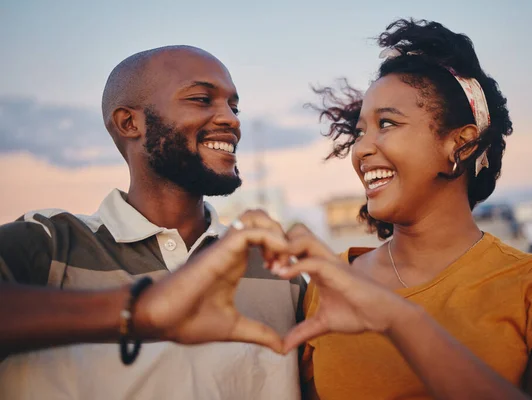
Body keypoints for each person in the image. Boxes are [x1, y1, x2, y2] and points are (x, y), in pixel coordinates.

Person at [280, 19, 532, 400]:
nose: (361, 149)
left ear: (461, 144)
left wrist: (399, 319)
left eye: (386, 123)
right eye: (360, 131)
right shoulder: (328, 285)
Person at [0, 46, 305, 400]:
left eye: (233, 107)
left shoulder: (277, 268)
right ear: (130, 123)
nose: (232, 120)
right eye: (202, 99)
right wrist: (140, 311)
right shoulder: (50, 242)